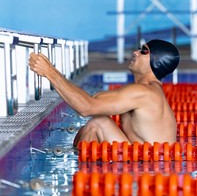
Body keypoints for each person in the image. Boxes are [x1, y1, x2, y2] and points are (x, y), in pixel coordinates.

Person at [29, 39, 180, 147]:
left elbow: (86, 107)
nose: (135, 52)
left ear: (156, 62)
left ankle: (83, 183)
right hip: (145, 166)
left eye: (144, 51)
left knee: (99, 123)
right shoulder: (146, 90)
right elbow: (92, 101)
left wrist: (50, 72)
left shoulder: (144, 92)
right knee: (98, 121)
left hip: (149, 176)